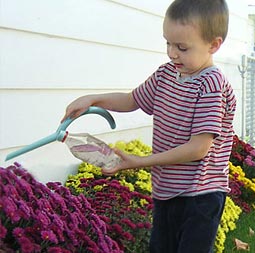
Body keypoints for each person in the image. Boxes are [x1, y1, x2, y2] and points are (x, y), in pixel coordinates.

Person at [62, 0, 236, 252]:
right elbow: (132, 100)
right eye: (168, 43)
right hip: (166, 191)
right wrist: (93, 99)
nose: (172, 53)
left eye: (182, 47)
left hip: (200, 196)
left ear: (214, 45)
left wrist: (139, 161)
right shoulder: (166, 74)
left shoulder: (210, 85)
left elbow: (198, 149)